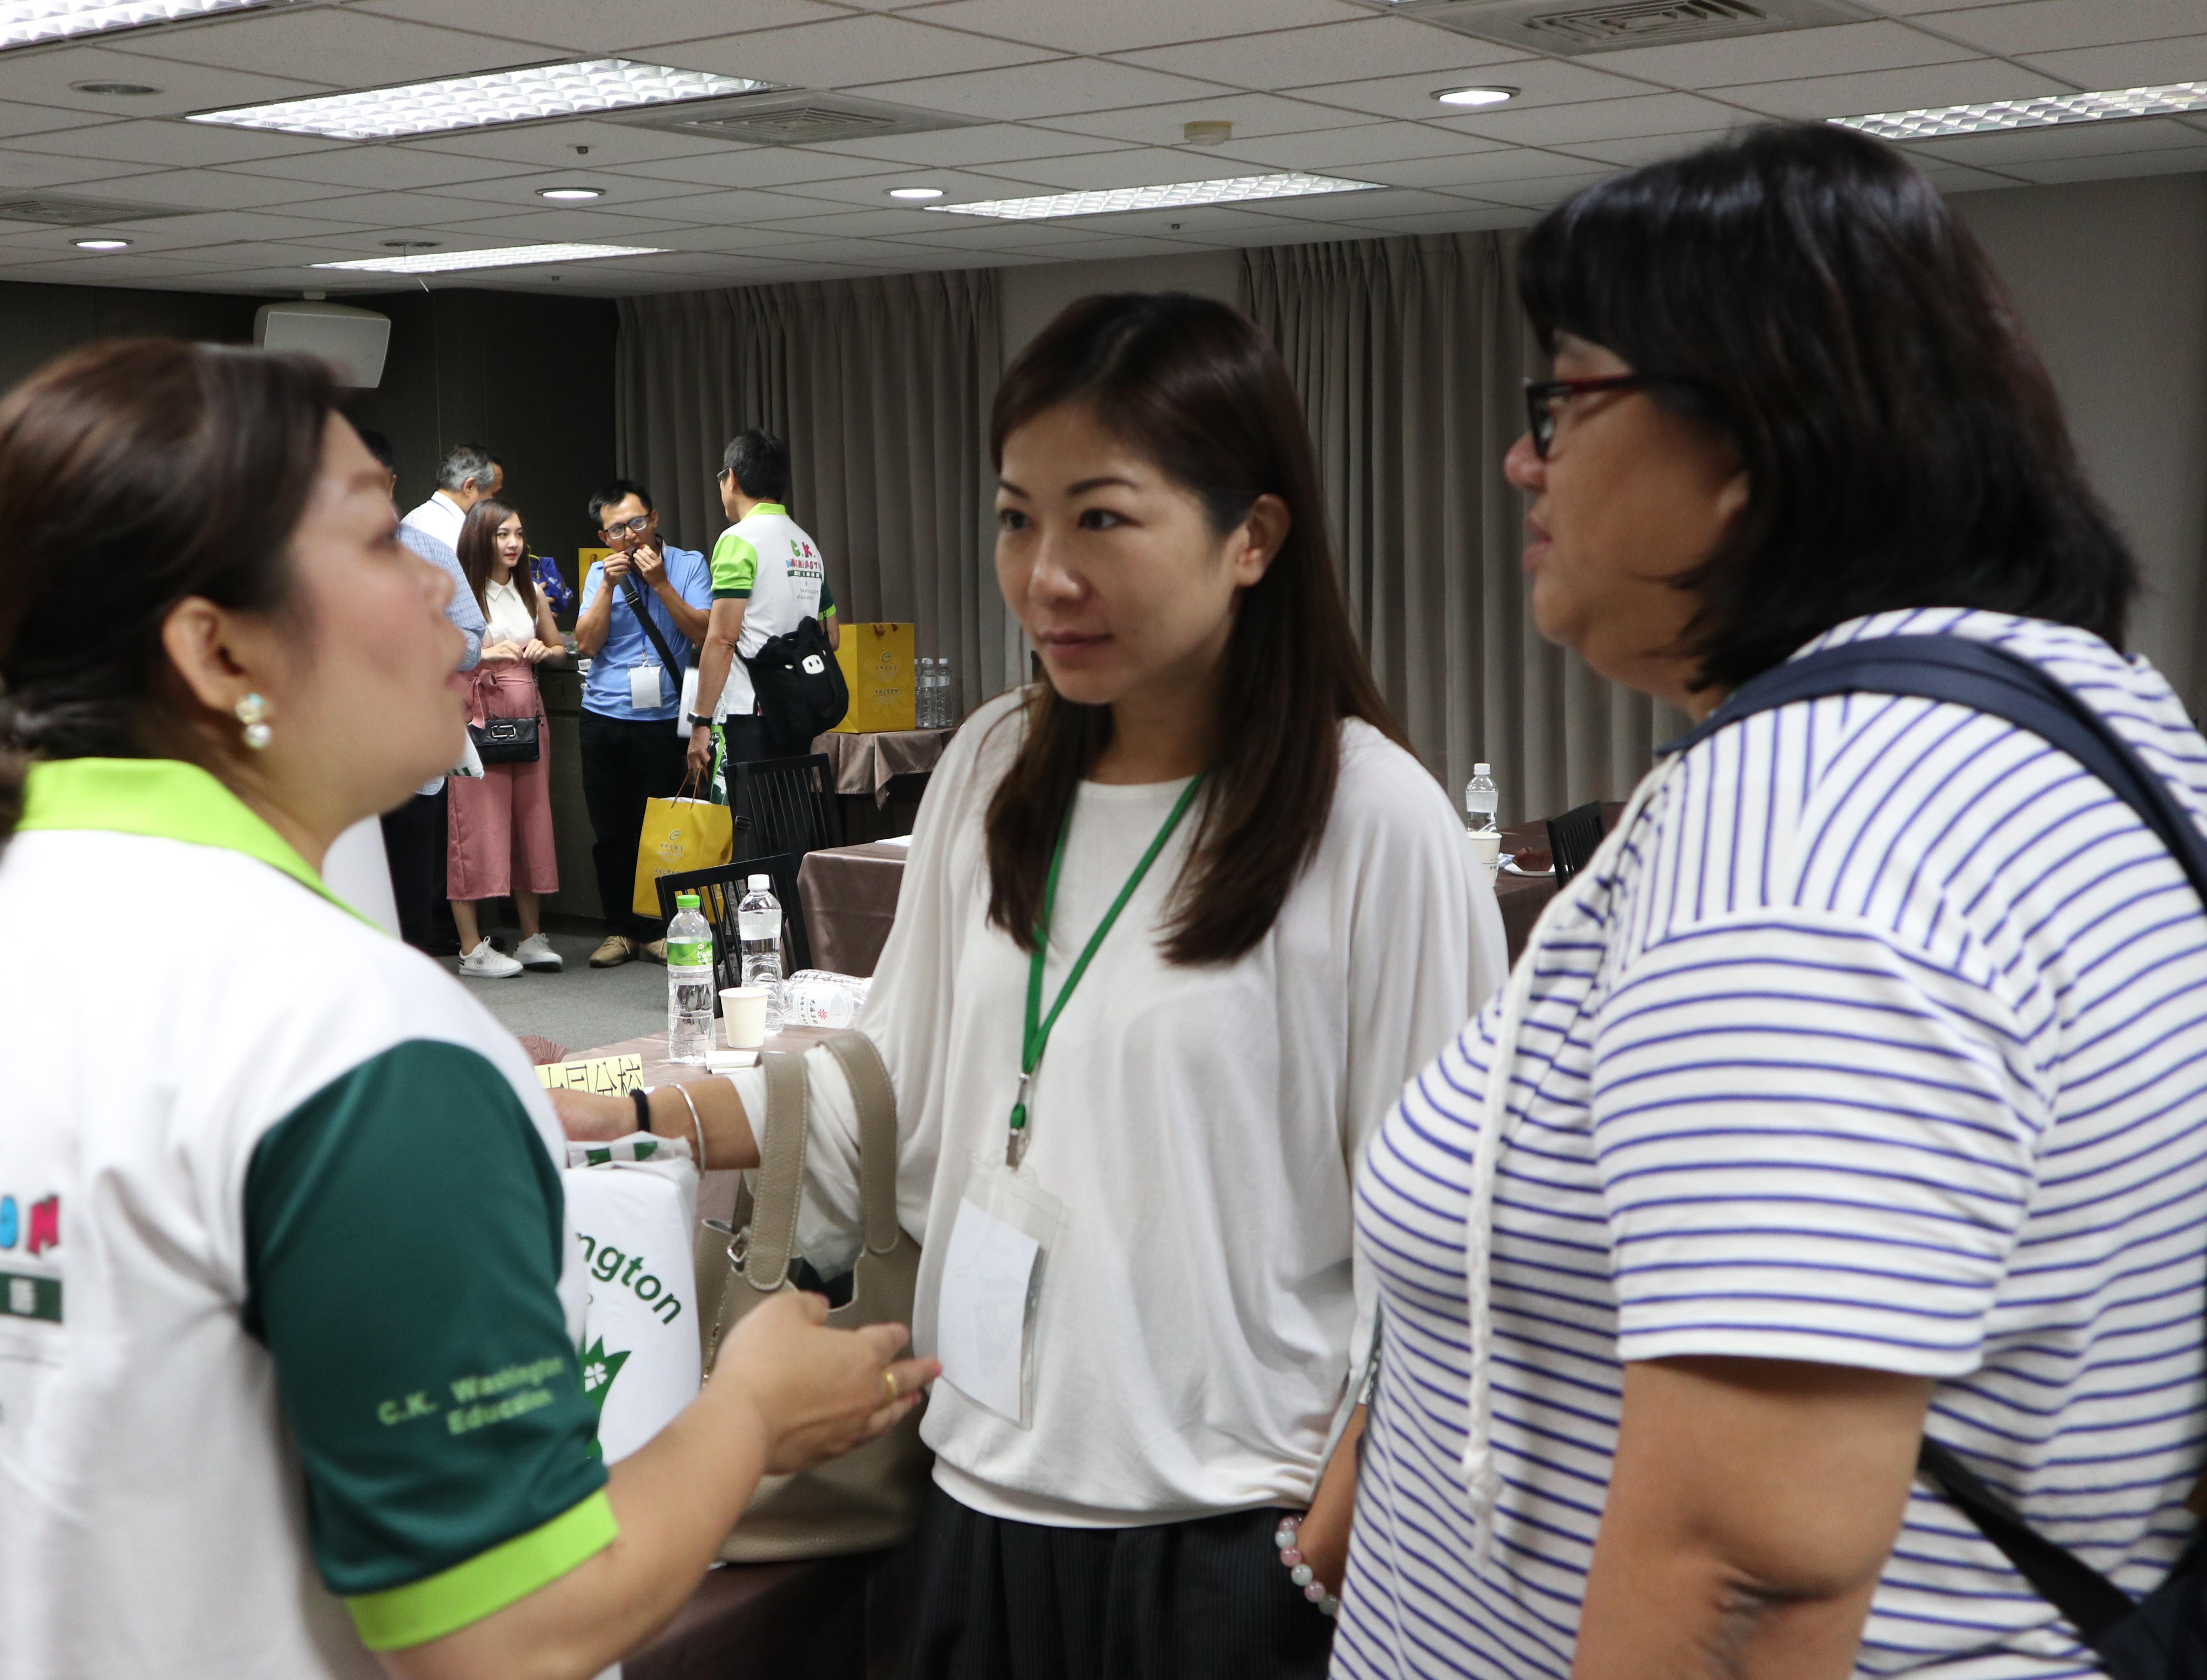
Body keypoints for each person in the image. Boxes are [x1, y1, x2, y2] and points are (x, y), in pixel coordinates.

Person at [0, 338, 933, 1680]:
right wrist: (748, 1414)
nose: (449, 595)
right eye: (385, 542)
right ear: (216, 647)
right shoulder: (343, 1036)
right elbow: (515, 1630)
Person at [1340, 123, 2207, 1680]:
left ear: (1752, 435)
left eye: (1566, 401)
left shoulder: (1807, 829)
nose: (1523, 460)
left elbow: (1749, 1562)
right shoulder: (2084, 715)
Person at [564, 294, 1505, 1675]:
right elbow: (890, 1096)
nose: (1048, 574)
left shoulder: (1370, 820)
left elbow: (1460, 1248)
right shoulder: (997, 768)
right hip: (976, 1505)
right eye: (1018, 519)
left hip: (1228, 1542)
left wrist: (1325, 1549)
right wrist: (638, 1110)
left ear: (1254, 536)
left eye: (1103, 519)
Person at [359, 426, 485, 956]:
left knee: (410, 906)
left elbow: (473, 639)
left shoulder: (430, 553)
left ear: (390, 483)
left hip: (412, 756)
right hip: (336, 763)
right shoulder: (304, 557)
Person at [575, 478, 711, 968]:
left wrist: (660, 584)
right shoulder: (600, 573)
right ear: (604, 536)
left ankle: (658, 929)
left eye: (637, 522)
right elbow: (586, 644)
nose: (630, 535)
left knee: (661, 831)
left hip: (662, 720)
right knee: (610, 831)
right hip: (602, 718)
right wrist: (607, 586)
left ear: (654, 520)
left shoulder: (689, 565)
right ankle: (619, 931)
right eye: (617, 529)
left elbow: (703, 632)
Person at [447, 497, 570, 978]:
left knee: (531, 821)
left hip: (527, 716)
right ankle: (471, 949)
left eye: (519, 533)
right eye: (503, 534)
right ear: (482, 538)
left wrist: (543, 648)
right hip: (476, 714)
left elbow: (559, 650)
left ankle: (532, 936)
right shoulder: (459, 594)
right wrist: (483, 653)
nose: (514, 543)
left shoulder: (530, 590)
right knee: (475, 826)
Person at [685, 428, 837, 781]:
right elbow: (832, 636)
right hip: (799, 710)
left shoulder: (738, 540)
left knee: (752, 813)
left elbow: (722, 640)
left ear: (732, 479)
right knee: (793, 811)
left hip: (750, 711)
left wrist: (701, 722)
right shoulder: (807, 545)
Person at [399, 440, 500, 553]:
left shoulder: (409, 520)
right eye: (493, 494)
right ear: (469, 487)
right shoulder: (461, 536)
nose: (495, 503)